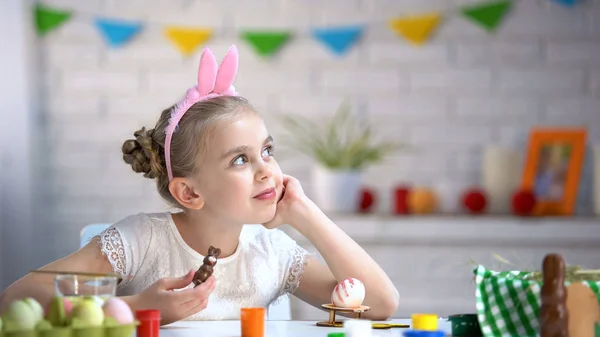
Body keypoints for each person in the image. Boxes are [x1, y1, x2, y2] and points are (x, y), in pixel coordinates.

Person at [0, 45, 399, 325]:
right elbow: (14, 301)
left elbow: (381, 305)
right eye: (240, 159)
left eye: (268, 150)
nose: (266, 170)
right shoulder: (139, 242)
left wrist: (306, 214)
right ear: (189, 192)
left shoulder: (273, 253)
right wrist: (141, 307)